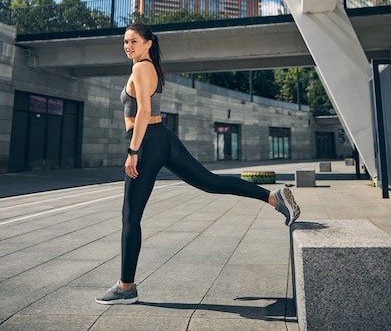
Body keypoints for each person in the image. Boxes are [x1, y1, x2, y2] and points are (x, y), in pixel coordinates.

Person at [96, 23, 300, 305]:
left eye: (133, 41)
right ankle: (273, 198)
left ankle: (126, 287)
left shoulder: (141, 68)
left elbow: (142, 111)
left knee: (130, 217)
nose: (127, 46)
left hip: (146, 142)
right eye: (125, 42)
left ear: (148, 44)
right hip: (163, 139)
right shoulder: (149, 68)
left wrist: (133, 151)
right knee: (211, 182)